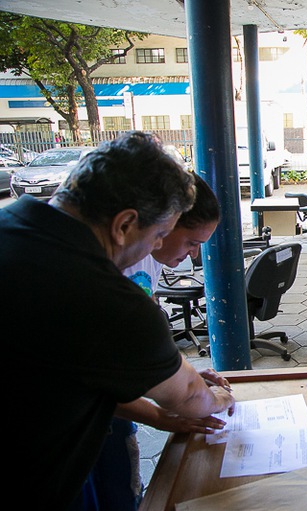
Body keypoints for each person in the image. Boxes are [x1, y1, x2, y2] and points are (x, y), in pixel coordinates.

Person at [0, 131, 235, 508]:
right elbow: (190, 397)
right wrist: (218, 398)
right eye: (159, 233)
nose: (157, 245)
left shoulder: (12, 223)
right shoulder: (100, 292)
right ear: (125, 224)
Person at [80, 173, 224, 511]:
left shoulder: (142, 252)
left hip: (107, 412)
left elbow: (145, 340)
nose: (191, 257)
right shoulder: (94, 275)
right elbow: (90, 381)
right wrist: (172, 409)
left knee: (123, 493)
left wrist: (178, 373)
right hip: (75, 423)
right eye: (188, 241)